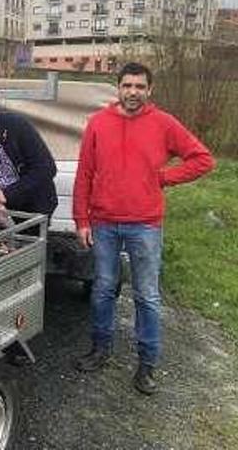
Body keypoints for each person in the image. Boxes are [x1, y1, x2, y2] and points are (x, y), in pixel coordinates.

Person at [72, 62, 215, 395]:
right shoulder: (97, 123)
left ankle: (147, 364)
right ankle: (100, 349)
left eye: (139, 86)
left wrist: (164, 177)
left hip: (145, 224)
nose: (132, 92)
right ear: (118, 88)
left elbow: (203, 159)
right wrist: (81, 219)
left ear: (149, 90)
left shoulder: (164, 124)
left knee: (147, 296)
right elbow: (84, 174)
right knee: (103, 289)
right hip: (104, 222)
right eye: (127, 85)